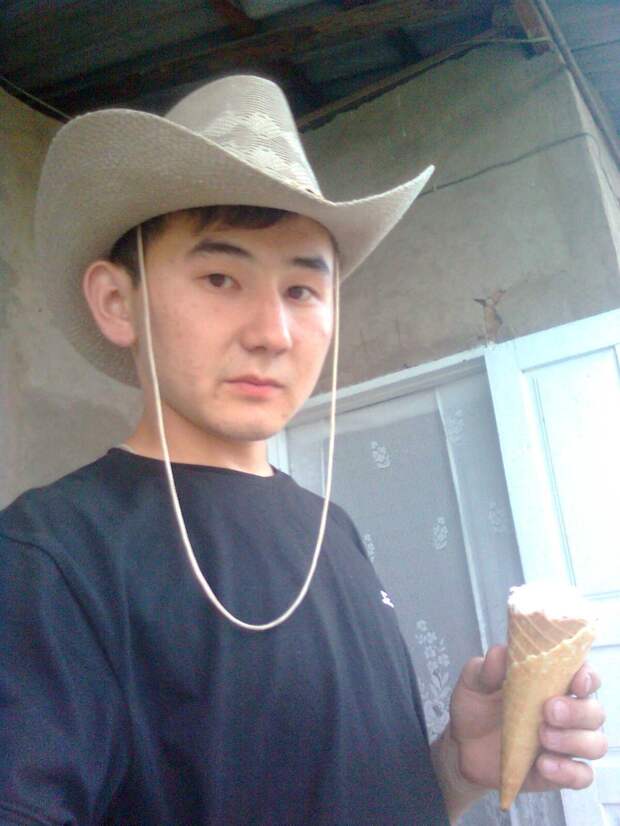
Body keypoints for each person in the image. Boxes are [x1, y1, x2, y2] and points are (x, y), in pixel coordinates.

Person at [0, 75, 606, 825]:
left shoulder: (333, 529)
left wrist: (457, 765)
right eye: (221, 277)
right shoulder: (51, 559)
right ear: (118, 302)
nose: (273, 333)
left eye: (302, 291)